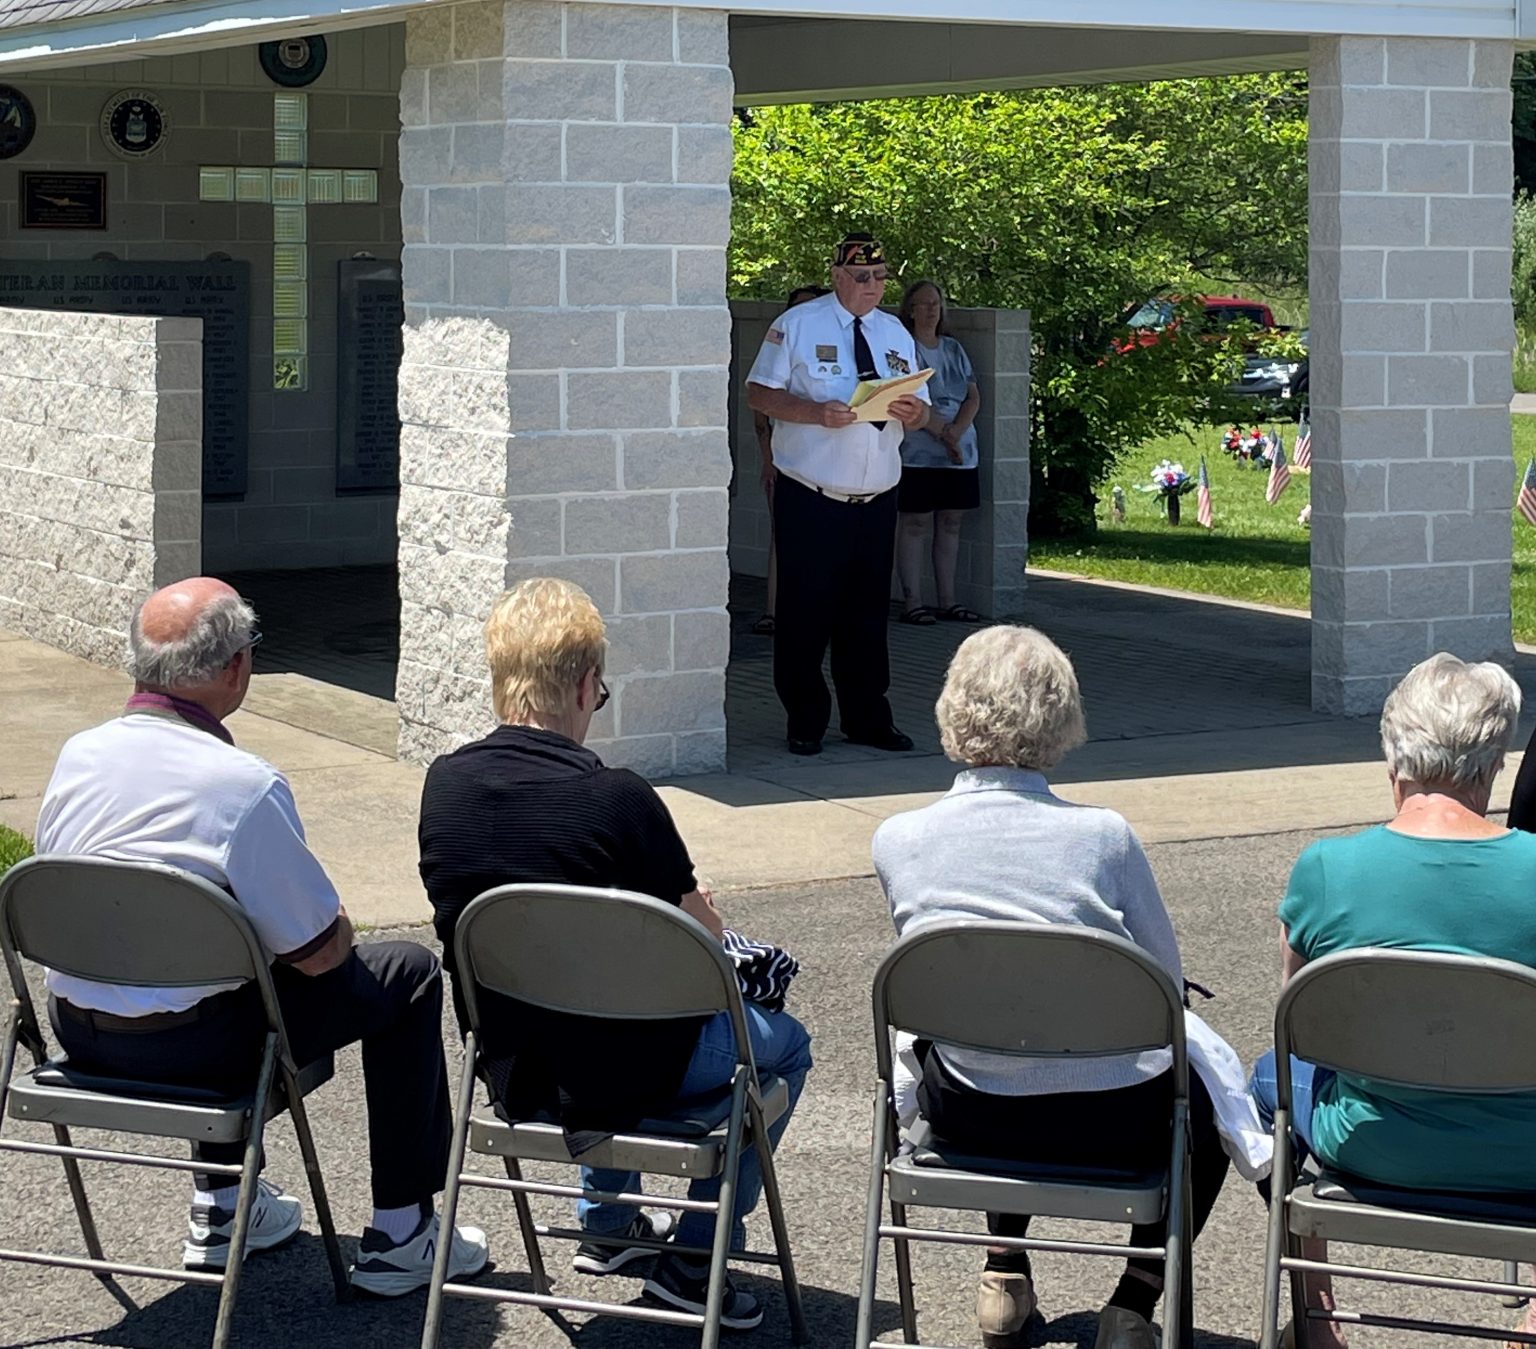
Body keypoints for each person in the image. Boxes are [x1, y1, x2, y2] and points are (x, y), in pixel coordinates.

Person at [33, 578, 487, 1296]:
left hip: (81, 1030)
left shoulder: (76, 755)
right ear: (236, 667)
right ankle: (402, 1236)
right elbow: (320, 952)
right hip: (200, 1050)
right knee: (405, 972)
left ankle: (224, 1209)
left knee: (193, 965)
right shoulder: (242, 784)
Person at [418, 577, 813, 1332]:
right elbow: (705, 945)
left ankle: (607, 1223)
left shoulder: (445, 786)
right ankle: (695, 1259)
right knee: (785, 1046)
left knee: (587, 995)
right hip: (632, 1067)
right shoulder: (619, 799)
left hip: (512, 1064)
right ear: (584, 684)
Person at [872, 625, 1229, 1349]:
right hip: (1112, 1118)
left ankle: (1003, 1273)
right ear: (1060, 715)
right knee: (1209, 1102)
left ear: (953, 707)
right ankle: (1135, 1297)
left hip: (969, 1113)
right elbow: (1165, 990)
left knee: (994, 1026)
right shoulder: (1106, 837)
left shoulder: (897, 839)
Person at [1248, 652, 1536, 1349]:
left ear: (1393, 759)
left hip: (1372, 1144)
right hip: (1525, 1152)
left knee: (1264, 1077)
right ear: (1495, 764)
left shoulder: (1325, 869)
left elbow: (1301, 1028)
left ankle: (1317, 1312)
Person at [745, 232, 932, 757]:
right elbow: (758, 393)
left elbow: (921, 408)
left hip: (878, 495)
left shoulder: (894, 332)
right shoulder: (798, 325)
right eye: (862, 276)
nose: (873, 286)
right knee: (805, 611)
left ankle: (867, 717)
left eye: (881, 277)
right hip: (812, 494)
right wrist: (813, 413)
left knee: (867, 615)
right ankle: (805, 719)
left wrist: (916, 413)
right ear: (837, 276)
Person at [894, 280, 983, 625]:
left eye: (936, 303)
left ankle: (949, 601)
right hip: (917, 451)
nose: (931, 310)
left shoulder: (954, 349)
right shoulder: (902, 348)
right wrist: (944, 435)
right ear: (910, 309)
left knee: (951, 522)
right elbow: (906, 400)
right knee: (915, 523)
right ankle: (913, 602)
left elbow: (973, 397)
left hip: (960, 451)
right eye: (924, 303)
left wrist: (956, 432)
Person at [749, 284, 826, 637]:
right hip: (785, 464)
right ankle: (773, 610)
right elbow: (760, 418)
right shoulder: (781, 344)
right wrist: (769, 461)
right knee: (783, 538)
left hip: (828, 471)